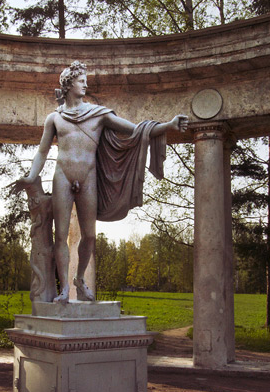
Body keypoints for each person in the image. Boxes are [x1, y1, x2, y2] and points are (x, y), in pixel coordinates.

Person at [10, 61, 189, 304]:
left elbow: (136, 131)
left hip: (89, 177)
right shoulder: (54, 118)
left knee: (90, 236)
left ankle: (79, 279)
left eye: (85, 80)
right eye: (81, 80)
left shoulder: (99, 114)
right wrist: (32, 176)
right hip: (62, 175)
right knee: (60, 236)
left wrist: (168, 125)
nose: (85, 84)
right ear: (68, 84)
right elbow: (42, 152)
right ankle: (64, 290)